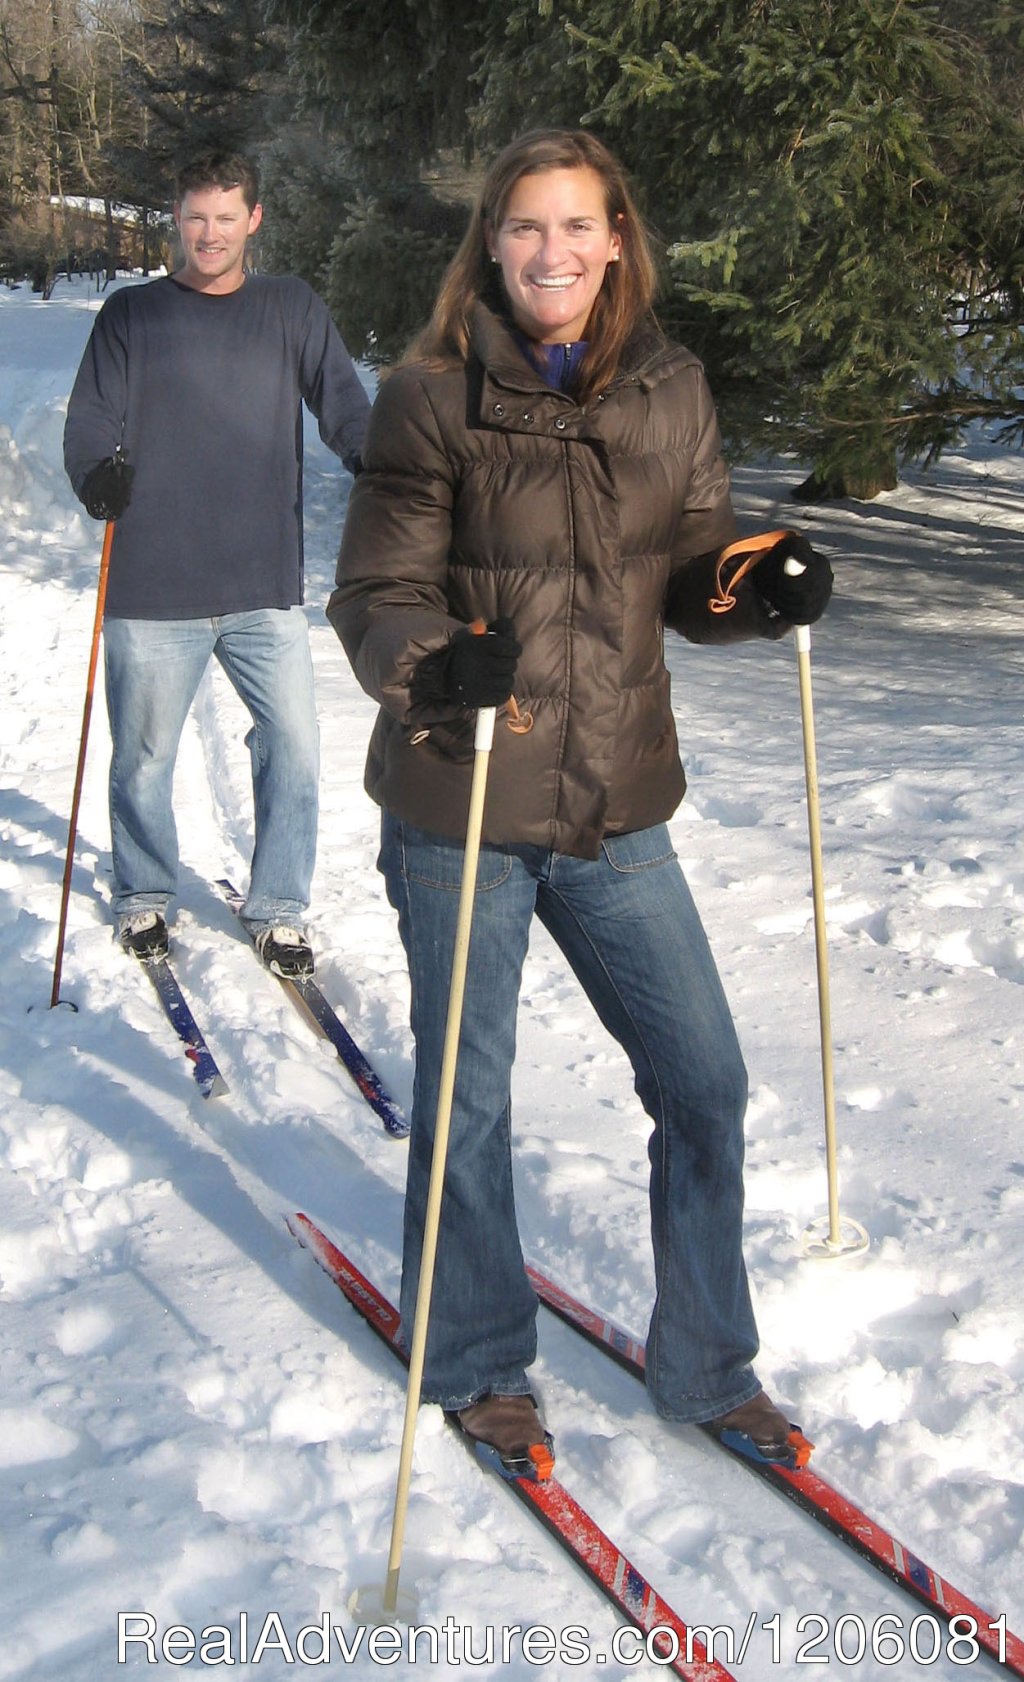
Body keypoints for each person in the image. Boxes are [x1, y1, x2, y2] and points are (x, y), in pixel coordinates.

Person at [327, 129, 833, 1474]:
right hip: (465, 796)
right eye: (525, 227)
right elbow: (377, 593)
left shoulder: (670, 386)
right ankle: (484, 1361)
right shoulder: (431, 392)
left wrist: (752, 579)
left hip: (615, 800)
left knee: (705, 1080)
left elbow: (691, 555)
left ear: (617, 239)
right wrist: (441, 663)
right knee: (469, 1095)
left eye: (576, 225)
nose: (551, 251)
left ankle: (709, 1363)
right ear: (489, 243)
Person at [64, 148, 370, 978]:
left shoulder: (289, 308)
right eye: (196, 216)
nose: (210, 233)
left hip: (262, 586)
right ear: (176, 216)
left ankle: (278, 907)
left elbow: (344, 405)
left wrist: (384, 467)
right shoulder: (132, 316)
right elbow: (90, 417)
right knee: (144, 757)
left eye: (226, 217)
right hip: (152, 584)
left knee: (294, 746)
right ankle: (143, 895)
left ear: (253, 221)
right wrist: (97, 473)